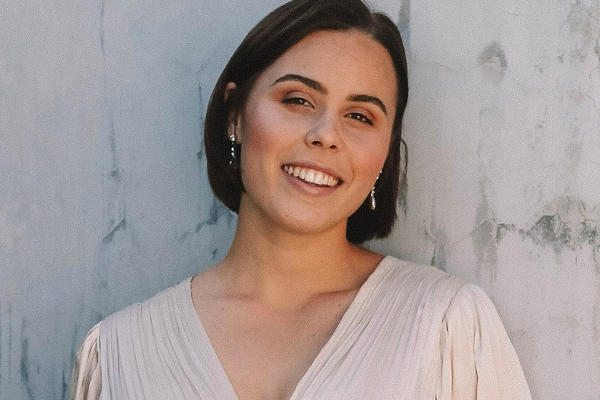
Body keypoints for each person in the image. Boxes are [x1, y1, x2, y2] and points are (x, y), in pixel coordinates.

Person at [69, 0, 532, 399]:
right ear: (235, 116)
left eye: (360, 116)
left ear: (386, 152)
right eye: (298, 100)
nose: (326, 135)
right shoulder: (120, 354)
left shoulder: (445, 327)